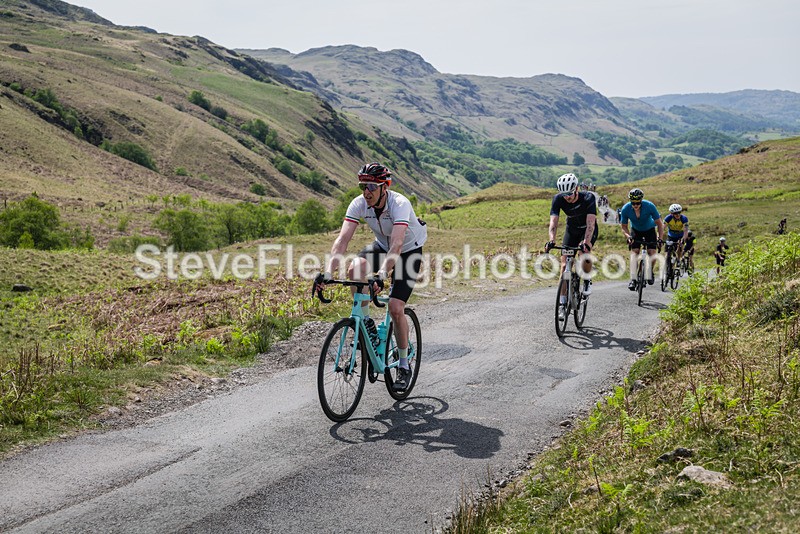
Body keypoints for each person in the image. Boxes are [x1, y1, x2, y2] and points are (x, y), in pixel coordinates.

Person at [317, 162, 427, 391]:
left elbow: (397, 244)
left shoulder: (400, 204)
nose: (366, 192)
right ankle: (366, 323)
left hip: (408, 250)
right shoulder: (359, 204)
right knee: (355, 268)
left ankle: (404, 365)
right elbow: (343, 240)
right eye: (363, 186)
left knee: (396, 307)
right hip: (381, 246)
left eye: (372, 187)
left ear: (384, 188)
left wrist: (382, 275)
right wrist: (327, 272)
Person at [544, 173, 598, 320]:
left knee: (583, 254)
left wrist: (586, 242)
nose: (567, 197)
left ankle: (587, 278)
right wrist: (551, 240)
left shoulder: (588, 197)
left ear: (576, 189)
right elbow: (553, 222)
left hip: (587, 230)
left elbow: (591, 224)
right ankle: (562, 304)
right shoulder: (558, 199)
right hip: (572, 230)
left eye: (569, 193)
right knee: (564, 266)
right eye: (564, 194)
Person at [619, 188, 665, 291]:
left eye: (638, 203)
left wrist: (660, 239)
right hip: (636, 231)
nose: (635, 205)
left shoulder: (649, 206)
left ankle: (650, 271)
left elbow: (660, 224)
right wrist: (628, 236)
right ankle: (633, 279)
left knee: (652, 252)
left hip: (650, 230)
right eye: (633, 203)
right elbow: (624, 226)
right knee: (635, 252)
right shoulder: (626, 208)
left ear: (641, 200)